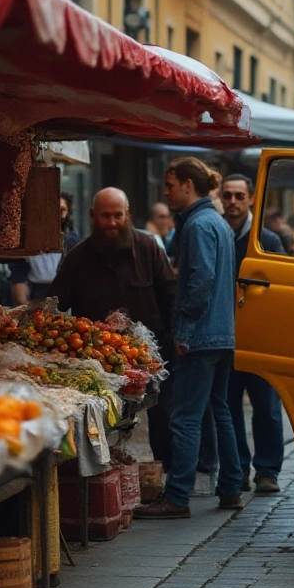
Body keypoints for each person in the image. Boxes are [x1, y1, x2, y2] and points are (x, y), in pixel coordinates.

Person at [135, 157, 244, 518]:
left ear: (187, 185)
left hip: (201, 336)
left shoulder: (197, 225)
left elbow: (200, 281)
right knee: (221, 411)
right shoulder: (217, 223)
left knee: (185, 417)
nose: (165, 193)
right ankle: (230, 487)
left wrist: (184, 330)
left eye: (169, 186)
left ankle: (177, 496)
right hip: (222, 334)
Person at [46, 189, 182, 471]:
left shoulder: (148, 249)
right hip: (98, 367)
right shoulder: (77, 259)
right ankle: (103, 477)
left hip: (152, 359)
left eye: (117, 215)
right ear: (93, 216)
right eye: (105, 216)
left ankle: (167, 479)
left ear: (127, 215)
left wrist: (174, 342)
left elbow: (172, 297)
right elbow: (55, 308)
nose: (111, 222)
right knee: (101, 426)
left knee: (165, 420)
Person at [219, 174, 286, 494]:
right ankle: (237, 469)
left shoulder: (267, 240)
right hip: (225, 338)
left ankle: (268, 471)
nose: (233, 202)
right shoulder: (215, 233)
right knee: (228, 408)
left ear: (251, 200)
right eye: (227, 196)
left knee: (267, 409)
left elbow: (281, 291)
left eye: (239, 196)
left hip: (260, 340)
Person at [10, 193, 79, 304]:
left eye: (61, 211)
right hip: (34, 294)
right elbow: (18, 276)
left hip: (64, 296)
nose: (56, 217)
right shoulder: (28, 241)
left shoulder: (73, 242)